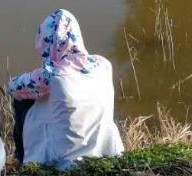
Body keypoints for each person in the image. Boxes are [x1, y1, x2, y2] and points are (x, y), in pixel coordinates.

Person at [8, 9, 124, 170]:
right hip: (105, 147)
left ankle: (22, 158)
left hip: (64, 158)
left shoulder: (51, 75)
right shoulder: (103, 64)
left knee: (23, 99)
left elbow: (13, 87)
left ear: (46, 41)